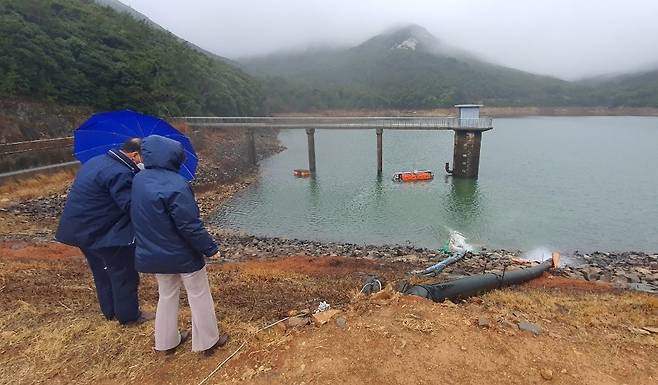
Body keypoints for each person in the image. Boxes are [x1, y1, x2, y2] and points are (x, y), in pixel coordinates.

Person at [131, 134, 228, 354]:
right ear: (173, 158)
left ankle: (166, 343)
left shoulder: (138, 180)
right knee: (199, 294)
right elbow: (189, 225)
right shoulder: (177, 185)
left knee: (166, 296)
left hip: (153, 252)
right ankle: (208, 342)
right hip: (182, 253)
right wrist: (210, 249)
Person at [56, 138, 154, 325]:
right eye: (144, 158)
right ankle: (129, 317)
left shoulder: (97, 161)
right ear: (135, 155)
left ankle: (110, 312)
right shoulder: (120, 173)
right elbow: (130, 206)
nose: (144, 162)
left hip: (82, 230)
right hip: (105, 232)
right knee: (124, 273)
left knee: (102, 271)